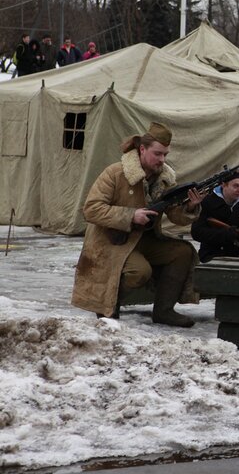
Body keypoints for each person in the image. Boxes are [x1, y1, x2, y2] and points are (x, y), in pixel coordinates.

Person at [71, 122, 203, 327]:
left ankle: (164, 311)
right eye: (157, 154)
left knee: (182, 252)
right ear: (142, 149)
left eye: (165, 154)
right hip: (112, 241)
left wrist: (190, 207)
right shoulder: (115, 173)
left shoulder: (164, 178)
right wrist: (131, 216)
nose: (162, 159)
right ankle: (106, 305)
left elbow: (175, 216)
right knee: (140, 272)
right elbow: (91, 209)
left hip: (144, 239)